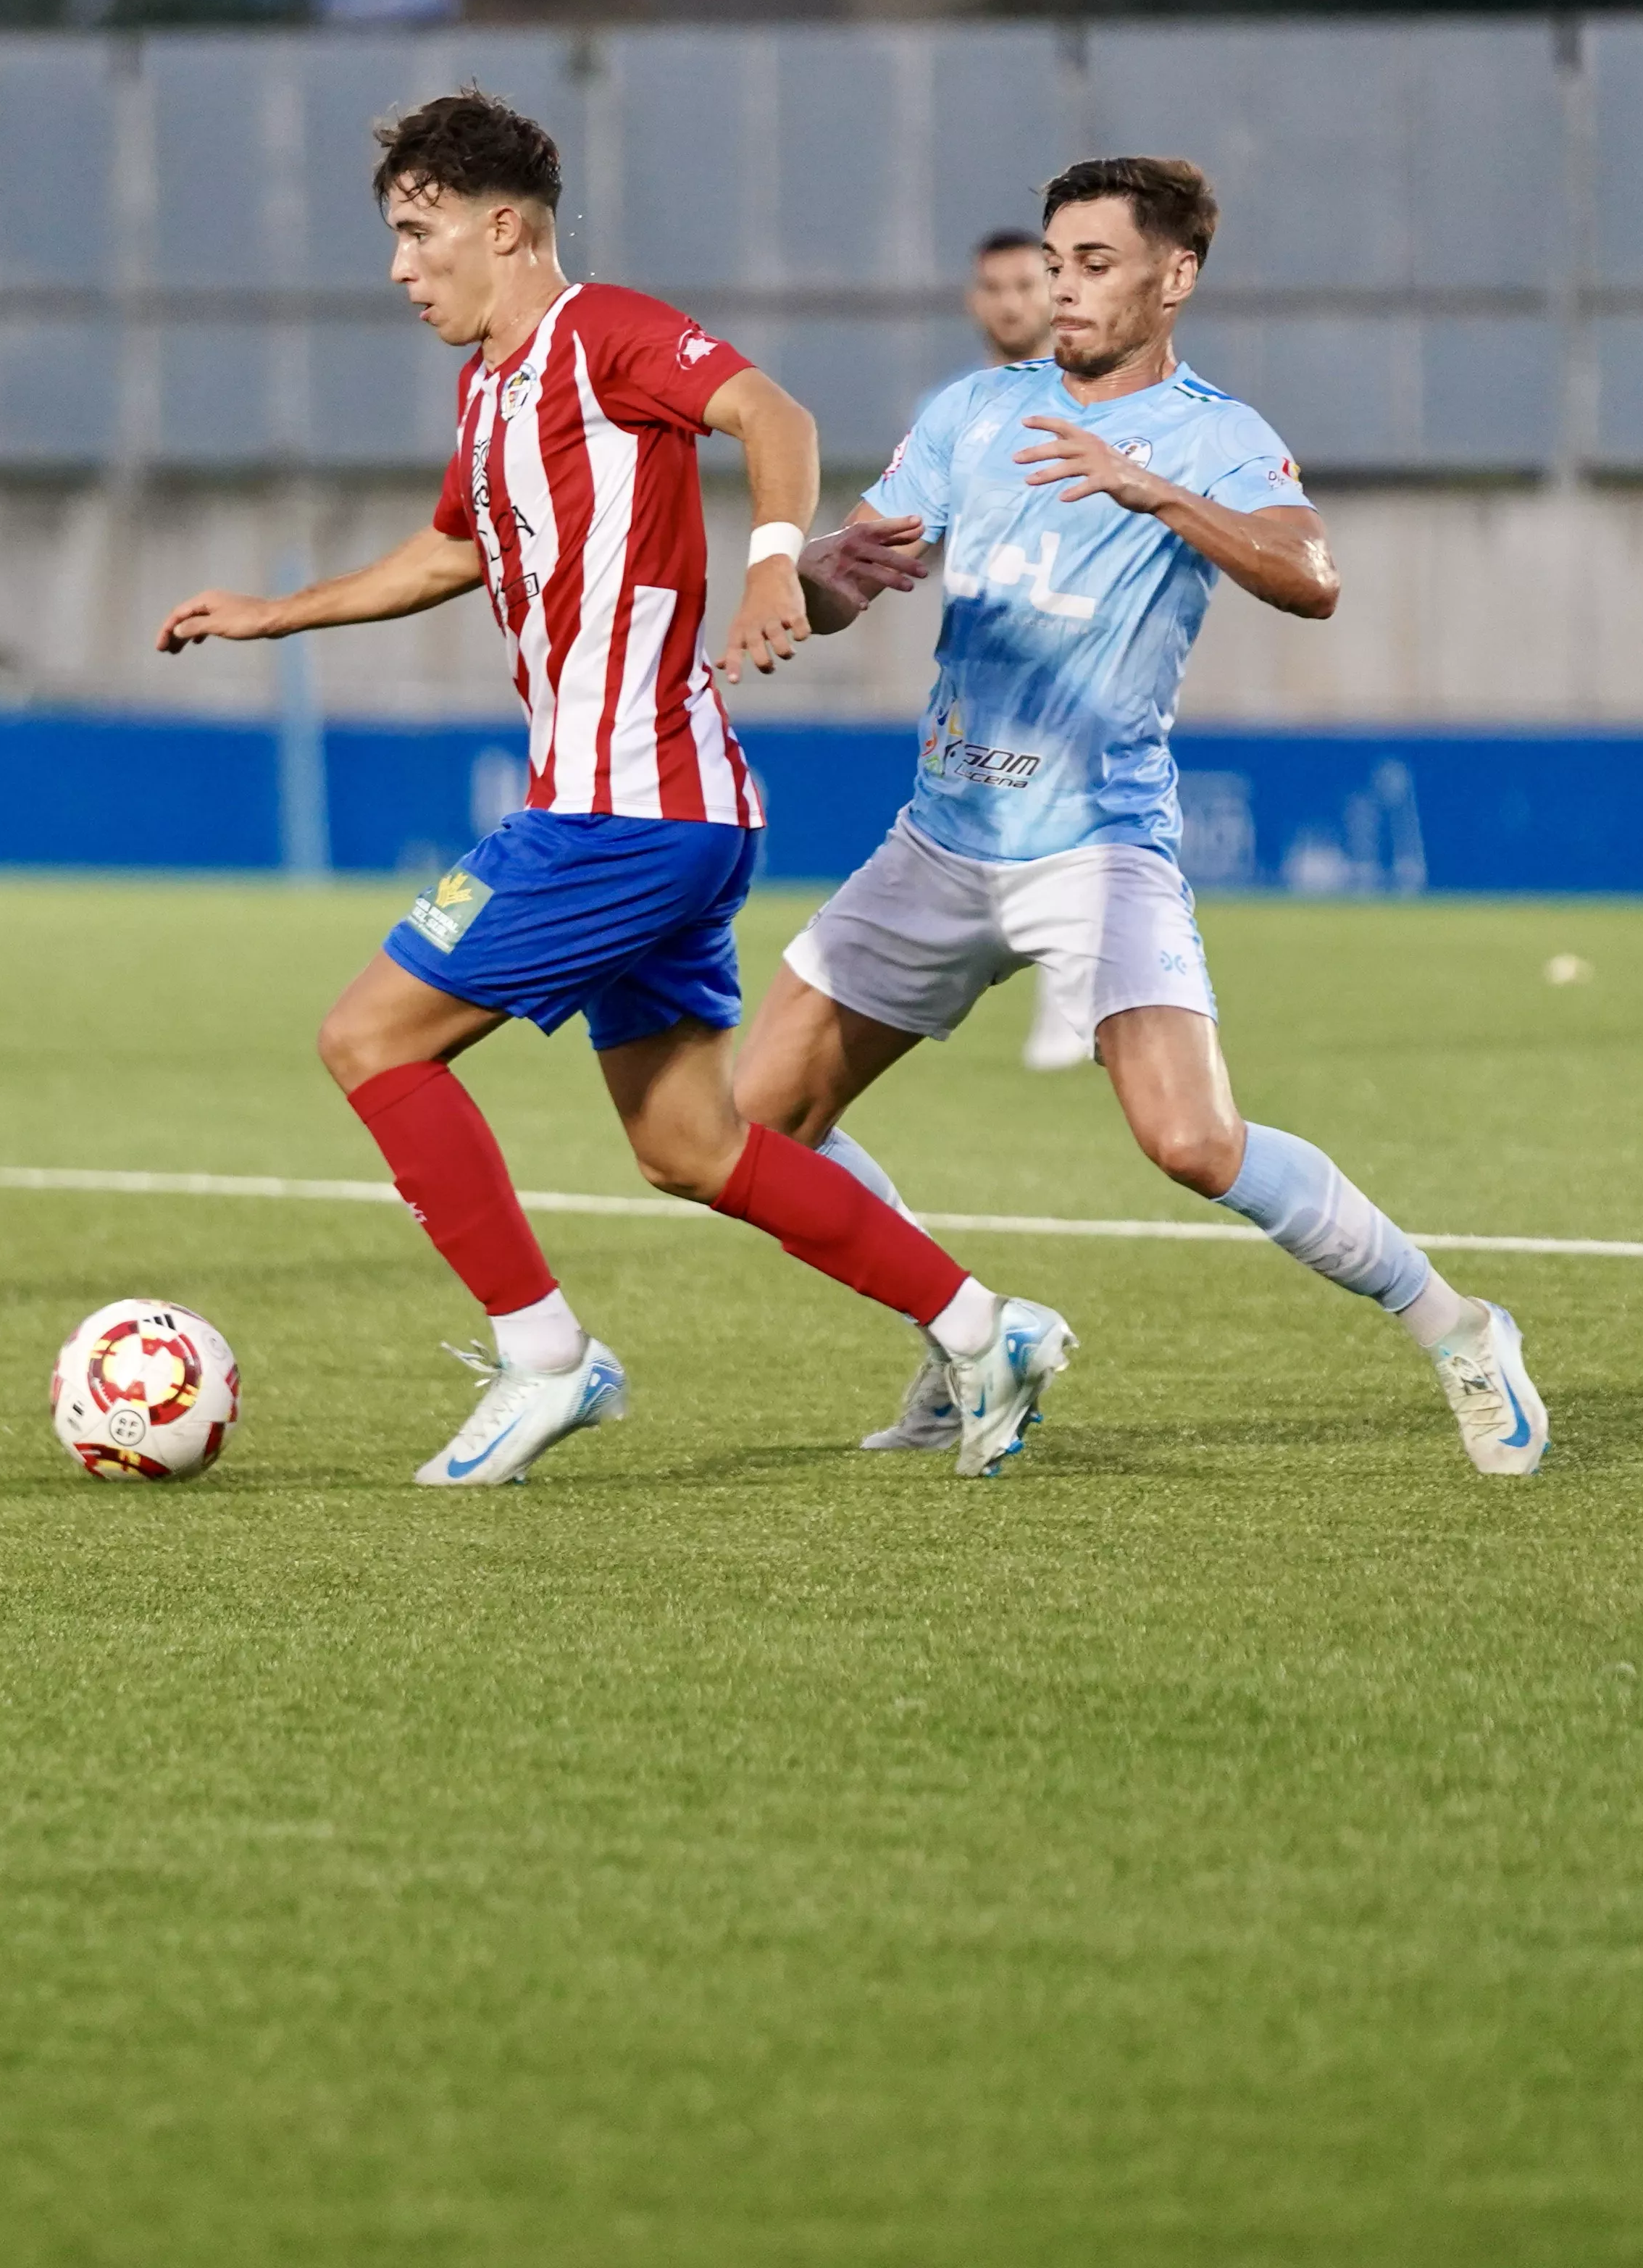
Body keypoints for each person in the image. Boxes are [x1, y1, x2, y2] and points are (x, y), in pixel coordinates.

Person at [158, 89, 1073, 1484]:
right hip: (661, 813)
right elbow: (448, 554)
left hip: (622, 811)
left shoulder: (605, 336)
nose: (401, 267)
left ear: (504, 226)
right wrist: (276, 615)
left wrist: (775, 554)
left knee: (371, 1041)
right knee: (690, 1146)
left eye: (419, 233)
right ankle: (981, 1329)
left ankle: (545, 1357)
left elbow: (771, 408)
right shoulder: (488, 389)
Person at [739, 156, 1550, 1476]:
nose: (1066, 290)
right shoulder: (975, 412)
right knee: (754, 1129)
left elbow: (1313, 576)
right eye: (1056, 264)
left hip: (1095, 845)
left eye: (1097, 264)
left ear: (1176, 280)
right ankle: (967, 1337)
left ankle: (1458, 1326)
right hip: (941, 836)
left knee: (1191, 1141)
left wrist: (1153, 490)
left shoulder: (1218, 436)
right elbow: (855, 580)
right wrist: (827, 577)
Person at [958, 222, 1091, 1068]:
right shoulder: (967, 410)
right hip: (983, 650)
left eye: (1025, 285)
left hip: (1073, 639)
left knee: (1070, 803)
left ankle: (1075, 990)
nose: (1011, 304)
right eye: (995, 289)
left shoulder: (1086, 402)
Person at [966, 223, 1056, 369]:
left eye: (1025, 286)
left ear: (1055, 293)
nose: (1009, 305)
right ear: (972, 300)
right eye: (992, 288)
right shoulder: (954, 392)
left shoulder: (1091, 389)